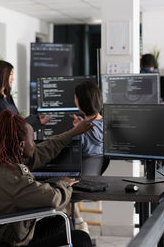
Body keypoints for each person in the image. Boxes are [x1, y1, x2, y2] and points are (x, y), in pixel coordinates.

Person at [0, 109, 94, 247]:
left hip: (8, 233)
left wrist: (72, 133)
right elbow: (53, 199)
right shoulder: (12, 176)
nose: (34, 144)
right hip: (10, 242)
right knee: (81, 239)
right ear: (21, 145)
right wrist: (64, 184)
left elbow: (42, 151)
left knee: (59, 222)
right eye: (32, 140)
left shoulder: (3, 161)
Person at [69, 81, 103, 233]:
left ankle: (78, 221)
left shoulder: (81, 132)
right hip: (94, 178)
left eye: (76, 98)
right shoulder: (106, 125)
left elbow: (70, 156)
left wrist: (76, 130)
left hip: (77, 181)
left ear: (81, 102)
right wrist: (81, 125)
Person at [0, 60, 50, 128]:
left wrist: (36, 120)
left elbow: (17, 123)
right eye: (10, 74)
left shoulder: (8, 97)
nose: (13, 78)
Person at [73, 80, 103, 158]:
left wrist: (78, 129)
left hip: (84, 170)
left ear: (79, 102)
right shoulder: (109, 126)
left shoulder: (79, 133)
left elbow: (72, 160)